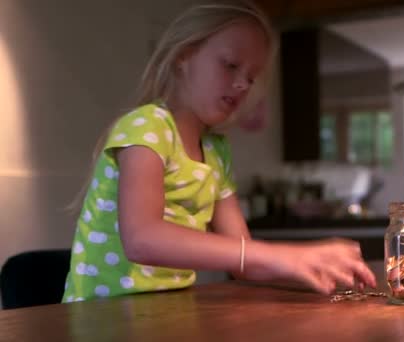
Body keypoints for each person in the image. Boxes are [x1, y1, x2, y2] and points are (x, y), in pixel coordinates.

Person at [62, 0, 376, 303]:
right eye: (230, 65)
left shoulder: (215, 151)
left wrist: (309, 260)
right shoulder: (147, 127)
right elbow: (142, 239)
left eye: (251, 77)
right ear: (184, 56)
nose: (242, 84)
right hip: (101, 318)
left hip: (162, 317)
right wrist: (281, 254)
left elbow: (244, 261)